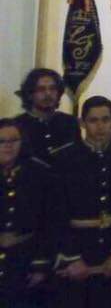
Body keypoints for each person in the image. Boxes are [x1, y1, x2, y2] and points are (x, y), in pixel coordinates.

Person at [52, 96, 111, 308]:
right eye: (93, 120)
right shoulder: (63, 158)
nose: (100, 126)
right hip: (78, 251)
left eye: (105, 119)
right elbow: (56, 213)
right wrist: (71, 257)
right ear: (82, 123)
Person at [0, 118, 61, 308]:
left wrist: (40, 265)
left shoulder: (39, 173)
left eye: (13, 140)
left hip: (25, 260)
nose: (8, 146)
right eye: (1, 141)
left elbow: (50, 222)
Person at [14, 68, 81, 162]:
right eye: (41, 89)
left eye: (52, 89)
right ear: (30, 94)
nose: (48, 93)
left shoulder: (70, 122)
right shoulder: (17, 125)